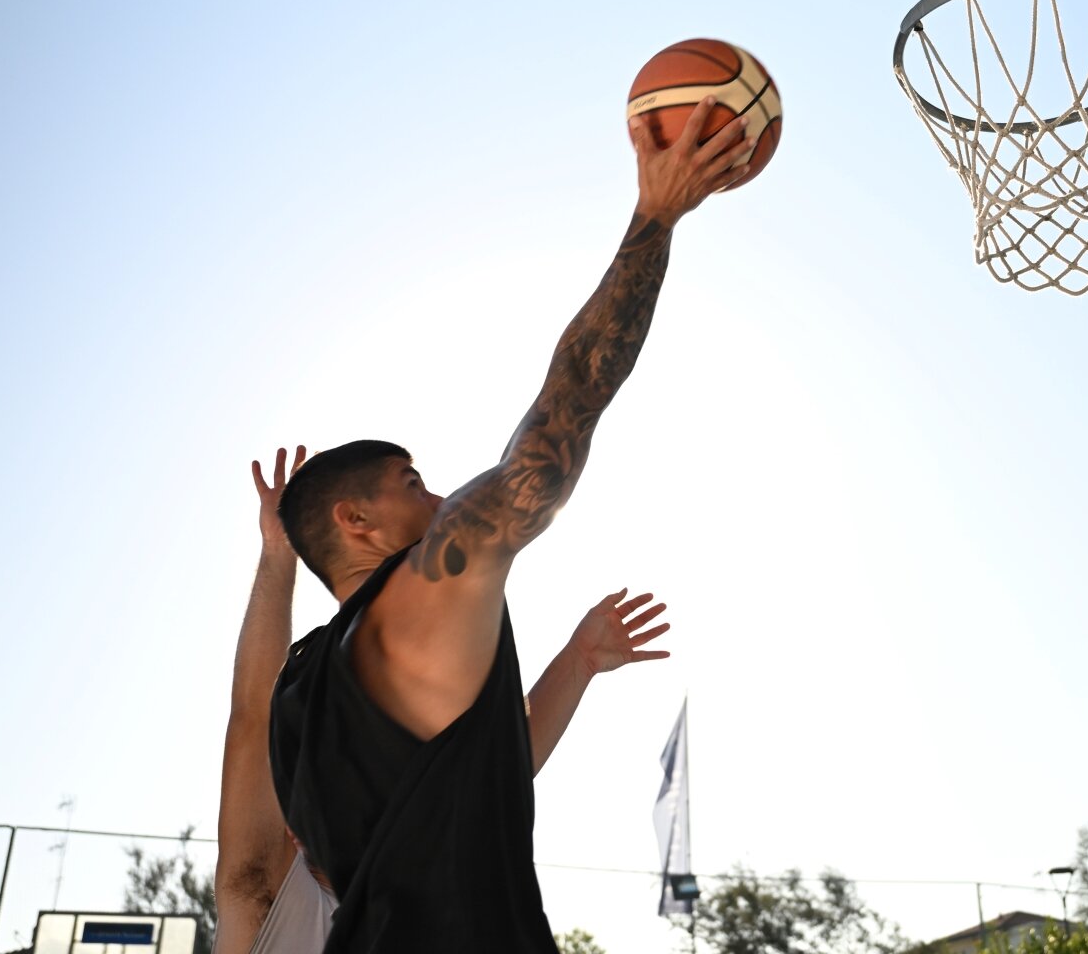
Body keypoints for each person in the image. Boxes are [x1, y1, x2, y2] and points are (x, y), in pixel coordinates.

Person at [268, 100, 747, 952]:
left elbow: (490, 775)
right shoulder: (410, 605)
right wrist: (656, 216)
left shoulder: (303, 691)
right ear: (356, 521)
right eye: (410, 483)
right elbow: (563, 415)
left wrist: (577, 661)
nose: (437, 495)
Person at [219, 446, 672, 954]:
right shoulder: (274, 906)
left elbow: (495, 764)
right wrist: (279, 553)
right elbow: (253, 719)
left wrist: (578, 662)